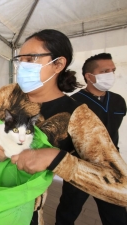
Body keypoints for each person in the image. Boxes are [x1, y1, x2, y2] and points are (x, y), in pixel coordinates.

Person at [0, 29, 127, 225]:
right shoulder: (10, 94)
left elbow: (121, 187)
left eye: (31, 59)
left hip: (22, 208)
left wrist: (57, 159)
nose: (22, 66)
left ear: (58, 64)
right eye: (20, 60)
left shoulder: (78, 116)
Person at [55, 53, 127, 225]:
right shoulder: (73, 103)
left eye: (113, 70)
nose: (111, 74)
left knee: (116, 215)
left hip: (109, 167)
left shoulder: (118, 101)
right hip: (79, 165)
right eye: (105, 71)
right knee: (68, 210)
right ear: (89, 76)